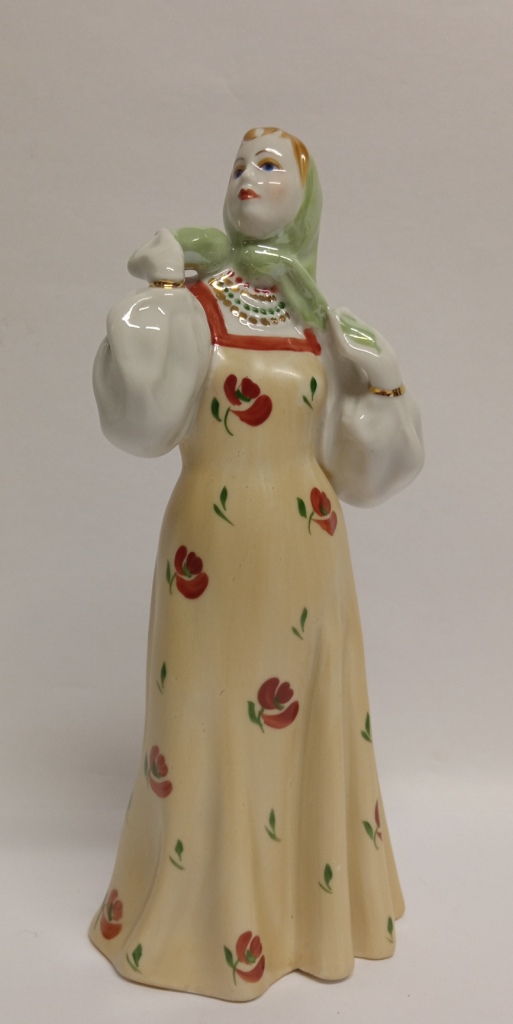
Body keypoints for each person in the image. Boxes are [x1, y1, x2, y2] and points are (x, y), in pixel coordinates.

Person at [90, 127, 423, 1001]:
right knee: (201, 720)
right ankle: (201, 919)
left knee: (300, 724)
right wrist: (162, 291)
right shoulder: (194, 305)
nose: (248, 175)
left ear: (304, 197)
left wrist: (382, 379)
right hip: (210, 547)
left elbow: (364, 473)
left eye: (269, 164)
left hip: (308, 554)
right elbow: (141, 424)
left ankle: (305, 913)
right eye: (239, 163)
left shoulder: (318, 318)